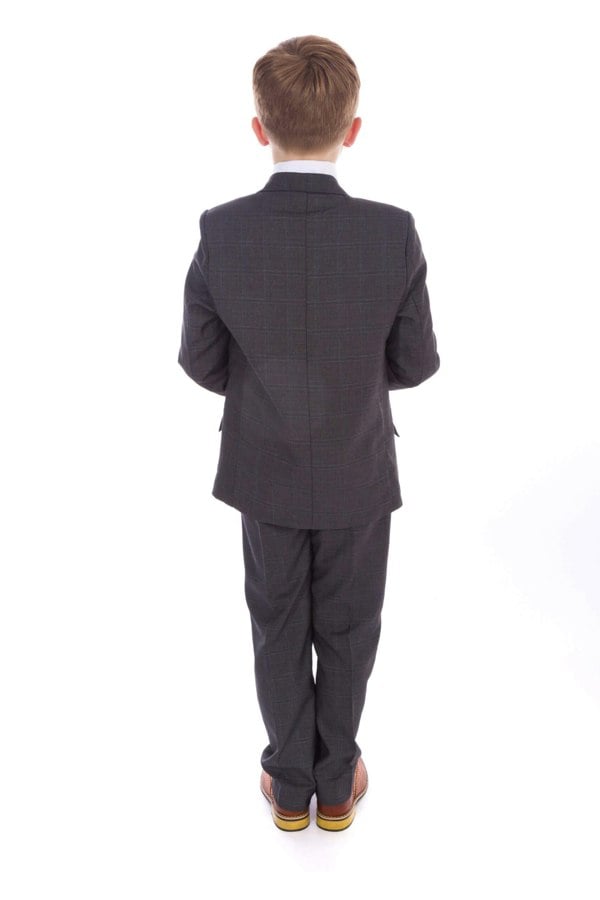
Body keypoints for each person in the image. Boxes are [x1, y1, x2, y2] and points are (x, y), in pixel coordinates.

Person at [177, 35, 440, 832]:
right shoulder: (392, 232)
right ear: (352, 129)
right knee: (352, 624)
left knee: (278, 620)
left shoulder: (222, 231)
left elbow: (200, 359)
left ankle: (289, 785)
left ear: (259, 128)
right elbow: (417, 362)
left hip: (265, 468)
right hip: (358, 465)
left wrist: (268, 392)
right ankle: (336, 784)